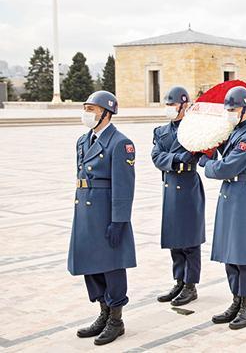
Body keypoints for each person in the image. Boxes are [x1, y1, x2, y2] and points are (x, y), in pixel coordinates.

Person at [69, 91, 136, 345]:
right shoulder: (83, 141)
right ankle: (103, 312)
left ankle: (116, 320)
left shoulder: (120, 143)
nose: (87, 114)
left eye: (92, 109)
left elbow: (124, 185)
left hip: (107, 213)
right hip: (87, 212)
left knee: (111, 266)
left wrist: (119, 220)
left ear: (106, 113)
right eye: (86, 108)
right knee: (90, 264)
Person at [200, 85, 246, 330]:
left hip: (241, 195)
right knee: (230, 253)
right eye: (229, 109)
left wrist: (207, 163)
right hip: (229, 194)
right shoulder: (234, 132)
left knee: (242, 254)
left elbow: (227, 167)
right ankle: (236, 300)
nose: (230, 112)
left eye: (234, 108)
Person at [151, 86, 205, 307]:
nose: (169, 109)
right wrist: (174, 160)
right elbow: (155, 156)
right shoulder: (161, 131)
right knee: (174, 237)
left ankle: (190, 285)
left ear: (184, 106)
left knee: (190, 239)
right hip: (170, 185)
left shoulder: (194, 129)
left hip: (188, 185)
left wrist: (171, 158)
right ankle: (179, 280)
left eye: (172, 105)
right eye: (167, 105)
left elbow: (193, 155)